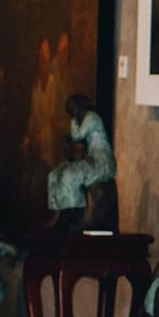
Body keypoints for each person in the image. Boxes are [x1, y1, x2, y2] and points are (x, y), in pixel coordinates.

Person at [46, 94, 115, 222]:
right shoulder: (84, 120)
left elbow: (77, 136)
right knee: (54, 174)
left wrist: (73, 121)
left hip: (102, 162)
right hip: (92, 158)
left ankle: (74, 212)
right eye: (71, 111)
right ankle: (59, 210)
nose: (74, 112)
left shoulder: (92, 117)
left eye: (74, 109)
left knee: (69, 174)